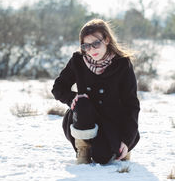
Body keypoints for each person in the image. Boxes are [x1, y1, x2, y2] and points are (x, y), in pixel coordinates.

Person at [51, 19, 140, 165]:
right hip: (82, 118)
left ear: (106, 39)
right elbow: (58, 88)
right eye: (86, 46)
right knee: (82, 102)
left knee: (101, 157)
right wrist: (72, 98)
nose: (91, 50)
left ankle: (118, 147)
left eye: (96, 44)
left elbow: (131, 104)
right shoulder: (78, 60)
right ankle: (83, 148)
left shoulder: (122, 64)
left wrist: (126, 139)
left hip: (111, 121)